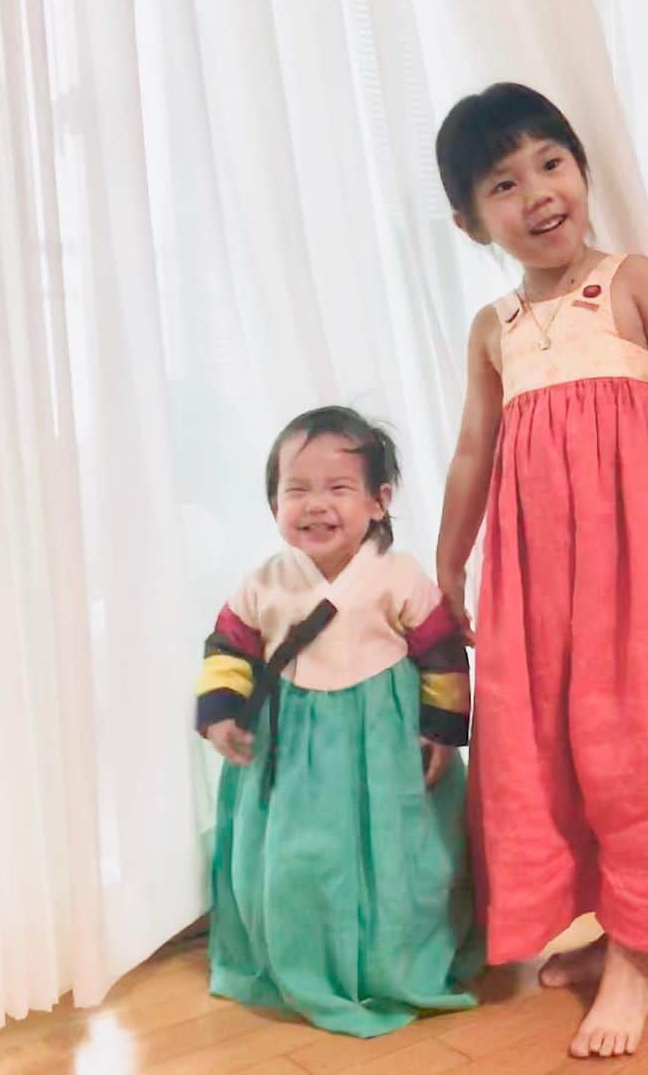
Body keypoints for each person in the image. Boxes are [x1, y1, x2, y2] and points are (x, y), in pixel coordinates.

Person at [434, 82, 648, 1059]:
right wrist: (450, 555)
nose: (537, 193)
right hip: (532, 590)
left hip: (634, 577)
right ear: (470, 218)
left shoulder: (632, 282)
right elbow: (475, 449)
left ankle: (640, 955)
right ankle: (610, 924)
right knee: (546, 750)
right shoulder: (495, 328)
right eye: (504, 183)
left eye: (550, 163)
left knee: (637, 746)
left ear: (583, 169)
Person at [196, 406, 480, 1037]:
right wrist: (219, 714)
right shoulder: (264, 581)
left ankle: (389, 956)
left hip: (385, 747)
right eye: (295, 489)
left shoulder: (398, 576)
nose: (314, 504)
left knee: (400, 858)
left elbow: (440, 654)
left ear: (379, 502)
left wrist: (441, 730)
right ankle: (305, 950)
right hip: (291, 751)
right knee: (302, 861)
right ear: (274, 502)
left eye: (337, 488)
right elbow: (228, 647)